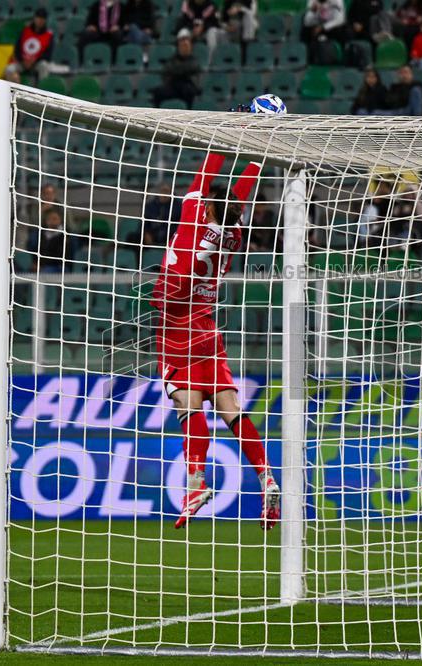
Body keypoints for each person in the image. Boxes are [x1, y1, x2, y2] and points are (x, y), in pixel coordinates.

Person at [152, 152, 279, 530]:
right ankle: (266, 476)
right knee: (230, 408)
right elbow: (238, 196)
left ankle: (196, 483)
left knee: (187, 406)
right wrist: (257, 156)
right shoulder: (234, 233)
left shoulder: (194, 216)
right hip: (207, 327)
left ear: (207, 205)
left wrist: (227, 134)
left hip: (175, 322)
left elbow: (205, 172)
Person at [152, 29, 202, 108]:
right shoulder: (173, 59)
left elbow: (191, 67)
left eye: (186, 45)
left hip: (188, 85)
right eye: (182, 45)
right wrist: (181, 70)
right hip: (174, 85)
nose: (184, 46)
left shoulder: (193, 59)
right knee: (158, 92)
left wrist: (178, 70)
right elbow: (167, 69)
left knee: (189, 91)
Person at [4, 9, 54, 83]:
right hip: (22, 62)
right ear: (34, 18)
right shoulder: (26, 31)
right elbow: (17, 49)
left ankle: (42, 91)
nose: (40, 21)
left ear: (45, 20)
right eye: (38, 18)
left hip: (37, 63)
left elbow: (48, 55)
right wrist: (23, 61)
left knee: (44, 66)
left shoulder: (49, 34)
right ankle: (14, 90)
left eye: (42, 19)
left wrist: (34, 61)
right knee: (9, 69)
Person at [29, 208, 73, 272]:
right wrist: (36, 263)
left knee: (46, 271)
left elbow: (63, 255)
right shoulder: (42, 234)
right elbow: (37, 250)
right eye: (49, 219)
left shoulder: (66, 235)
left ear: (60, 220)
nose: (51, 222)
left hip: (59, 267)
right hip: (43, 266)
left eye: (54, 219)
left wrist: (42, 265)